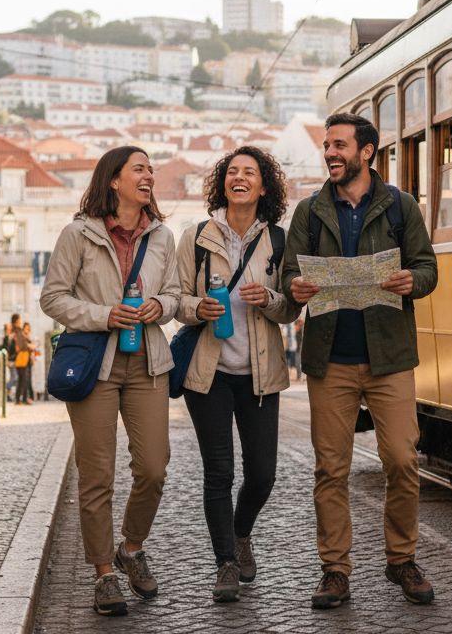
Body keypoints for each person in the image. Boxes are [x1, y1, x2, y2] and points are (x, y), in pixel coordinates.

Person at [281, 113, 439, 610]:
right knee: (331, 468)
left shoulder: (400, 206)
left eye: (340, 145)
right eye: (327, 145)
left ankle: (401, 559)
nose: (330, 153)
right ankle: (335, 570)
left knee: (401, 460)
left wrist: (413, 281)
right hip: (330, 359)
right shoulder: (309, 212)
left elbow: (428, 267)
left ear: (366, 152)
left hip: (390, 356)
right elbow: (289, 272)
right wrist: (295, 287)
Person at [40, 145, 181, 617]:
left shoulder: (162, 237)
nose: (149, 176)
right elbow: (53, 298)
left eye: (151, 170)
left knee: (155, 466)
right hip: (96, 363)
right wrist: (104, 315)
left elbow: (176, 294)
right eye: (139, 169)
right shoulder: (77, 235)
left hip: (147, 362)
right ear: (114, 180)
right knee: (96, 473)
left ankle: (132, 546)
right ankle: (103, 574)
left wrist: (160, 306)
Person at [175, 147, 300, 603]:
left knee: (263, 474)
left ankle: (241, 533)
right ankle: (225, 562)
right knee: (219, 472)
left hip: (260, 375)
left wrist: (269, 299)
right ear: (222, 183)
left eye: (250, 172)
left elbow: (290, 308)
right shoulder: (195, 237)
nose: (239, 177)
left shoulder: (280, 241)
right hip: (208, 374)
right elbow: (175, 301)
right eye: (232, 172)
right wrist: (196, 308)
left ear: (263, 186)